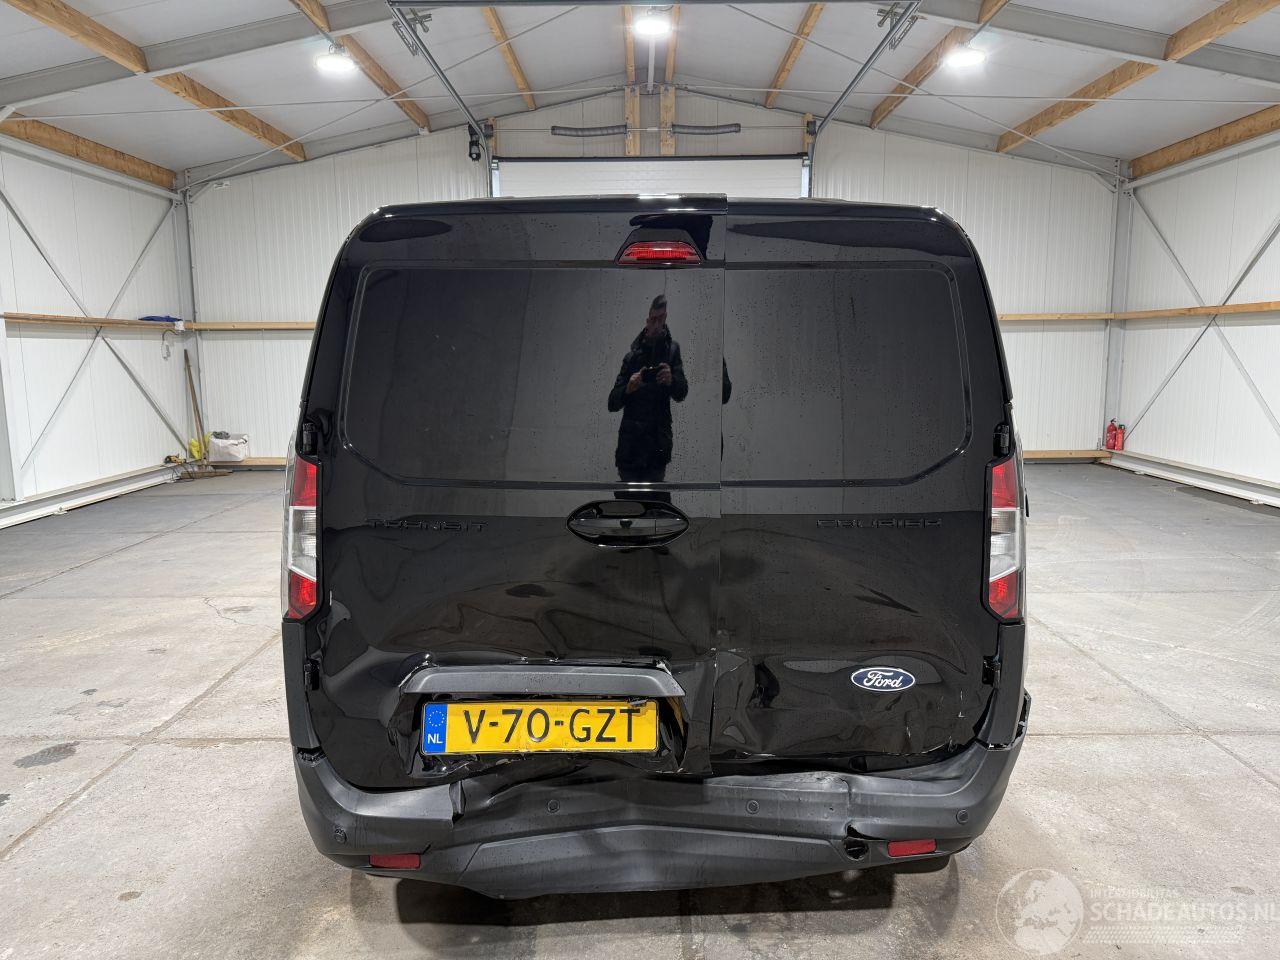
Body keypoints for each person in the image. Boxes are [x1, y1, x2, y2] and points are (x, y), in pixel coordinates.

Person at [607, 294, 688, 483]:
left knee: (656, 500)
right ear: (647, 320)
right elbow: (612, 402)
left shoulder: (672, 352)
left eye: (660, 319)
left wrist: (671, 381)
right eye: (653, 319)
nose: (656, 324)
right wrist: (628, 389)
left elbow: (682, 392)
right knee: (628, 500)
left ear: (665, 318)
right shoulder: (632, 357)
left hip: (656, 449)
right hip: (631, 450)